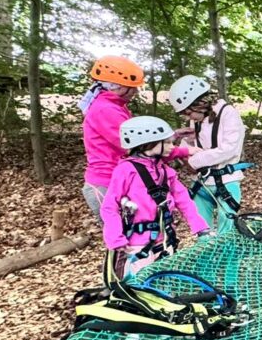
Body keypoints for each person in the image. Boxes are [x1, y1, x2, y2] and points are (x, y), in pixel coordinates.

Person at [101, 116, 209, 280]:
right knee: (138, 285)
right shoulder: (126, 171)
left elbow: (184, 200)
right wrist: (116, 238)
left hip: (165, 239)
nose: (171, 147)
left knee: (164, 283)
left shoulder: (165, 171)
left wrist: (200, 227)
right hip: (136, 245)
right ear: (147, 144)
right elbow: (109, 206)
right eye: (166, 143)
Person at [169, 75, 247, 235]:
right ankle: (206, 260)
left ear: (199, 103)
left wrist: (194, 161)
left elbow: (229, 148)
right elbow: (199, 145)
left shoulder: (228, 113)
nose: (187, 117)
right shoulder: (198, 118)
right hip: (202, 183)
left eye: (187, 112)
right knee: (202, 231)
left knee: (228, 231)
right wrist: (188, 144)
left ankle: (228, 261)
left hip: (226, 181)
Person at [81, 56, 145, 220]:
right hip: (105, 182)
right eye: (132, 88)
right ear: (117, 86)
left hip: (117, 180)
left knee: (135, 236)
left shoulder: (114, 106)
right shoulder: (106, 109)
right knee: (122, 239)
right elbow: (133, 144)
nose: (135, 92)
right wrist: (176, 147)